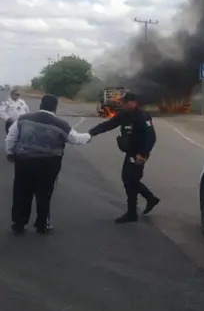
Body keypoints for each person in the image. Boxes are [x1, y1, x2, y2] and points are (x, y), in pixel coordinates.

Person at [5, 94, 91, 234]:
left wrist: (10, 153)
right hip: (49, 165)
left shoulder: (23, 119)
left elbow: (11, 137)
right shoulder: (61, 124)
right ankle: (42, 224)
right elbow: (76, 139)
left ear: (41, 104)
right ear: (55, 107)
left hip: (24, 162)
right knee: (44, 194)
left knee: (21, 192)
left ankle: (19, 224)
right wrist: (90, 135)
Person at [88, 92, 160, 223]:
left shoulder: (142, 116)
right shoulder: (124, 115)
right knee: (129, 179)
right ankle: (148, 199)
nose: (123, 105)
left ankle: (133, 211)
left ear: (133, 103)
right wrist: (90, 133)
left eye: (126, 103)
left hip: (139, 153)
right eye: (123, 102)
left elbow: (151, 137)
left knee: (131, 180)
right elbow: (108, 125)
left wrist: (143, 154)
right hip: (130, 152)